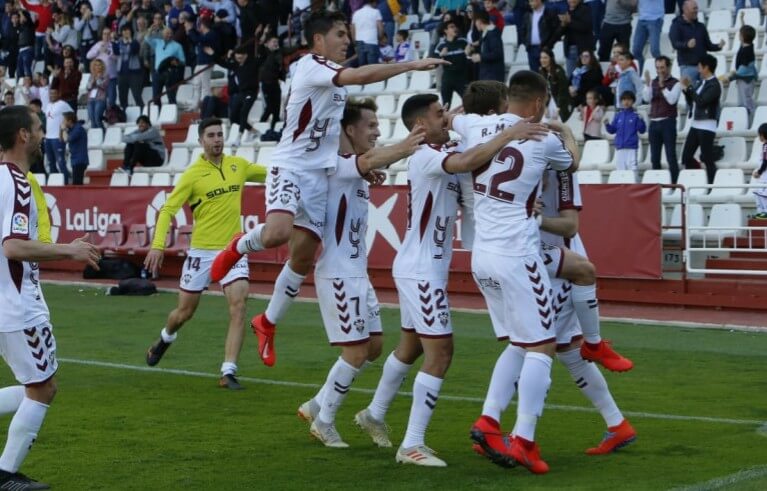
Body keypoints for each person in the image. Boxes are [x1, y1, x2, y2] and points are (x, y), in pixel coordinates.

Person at [210, 10, 448, 368]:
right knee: (277, 233)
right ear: (318, 40)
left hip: (320, 173)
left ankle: (268, 322)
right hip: (291, 165)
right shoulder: (309, 66)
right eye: (340, 34)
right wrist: (411, 65)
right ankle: (237, 247)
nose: (346, 41)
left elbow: (331, 132)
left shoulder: (335, 88)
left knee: (303, 256)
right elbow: (361, 74)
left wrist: (357, 165)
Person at [361, 92, 548, 467]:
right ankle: (412, 444)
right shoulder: (427, 156)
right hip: (421, 270)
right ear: (420, 126)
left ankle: (374, 413)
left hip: (423, 267)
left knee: (412, 348)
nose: (445, 117)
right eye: (438, 113)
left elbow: (475, 179)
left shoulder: (443, 155)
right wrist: (507, 135)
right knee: (441, 353)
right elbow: (467, 159)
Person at [453, 72, 578, 474]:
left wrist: (490, 119)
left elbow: (453, 115)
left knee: (518, 343)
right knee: (542, 346)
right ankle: (524, 439)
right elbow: (572, 163)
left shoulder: (473, 124)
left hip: (480, 256)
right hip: (517, 255)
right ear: (539, 103)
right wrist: (564, 129)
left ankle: (489, 421)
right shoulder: (545, 137)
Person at [298, 99, 422, 448]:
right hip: (338, 273)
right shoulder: (338, 164)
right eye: (370, 125)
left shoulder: (356, 169)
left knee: (374, 347)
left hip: (356, 272)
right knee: (355, 352)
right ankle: (324, 422)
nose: (377, 131)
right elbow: (367, 160)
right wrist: (409, 143)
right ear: (349, 130)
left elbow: (367, 164)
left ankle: (316, 404)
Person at [0, 105, 100, 490]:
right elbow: (12, 247)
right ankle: (6, 475)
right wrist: (68, 250)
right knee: (43, 388)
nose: (44, 134)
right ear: (23, 135)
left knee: (33, 384)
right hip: (17, 305)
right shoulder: (19, 183)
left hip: (6, 300)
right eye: (39, 128)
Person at [143, 118, 267, 389]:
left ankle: (228, 371)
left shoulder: (239, 166)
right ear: (201, 141)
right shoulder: (192, 175)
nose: (217, 139)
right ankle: (165, 337)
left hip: (233, 249)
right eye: (211, 135)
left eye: (220, 134)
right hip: (201, 252)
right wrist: (157, 245)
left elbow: (273, 174)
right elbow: (167, 210)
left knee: (239, 306)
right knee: (184, 313)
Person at [207, 45, 259, 147]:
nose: (239, 58)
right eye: (237, 56)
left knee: (244, 112)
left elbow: (263, 56)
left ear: (246, 55)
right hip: (241, 93)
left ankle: (239, 138)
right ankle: (254, 131)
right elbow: (222, 63)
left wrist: (262, 43)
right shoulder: (235, 65)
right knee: (233, 117)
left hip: (251, 93)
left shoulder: (253, 63)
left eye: (241, 56)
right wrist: (213, 54)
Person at [681, 54, 721, 184]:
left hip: (707, 125)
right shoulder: (701, 83)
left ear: (706, 68)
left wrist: (691, 88)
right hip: (696, 123)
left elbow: (701, 102)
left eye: (700, 67)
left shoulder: (715, 85)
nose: (698, 70)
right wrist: (687, 90)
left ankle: (711, 184)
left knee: (707, 158)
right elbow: (692, 100)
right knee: (686, 157)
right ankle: (699, 178)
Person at [643, 55, 681, 183]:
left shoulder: (675, 83)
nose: (660, 70)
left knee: (671, 156)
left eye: (662, 67)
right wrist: (648, 85)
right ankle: (657, 184)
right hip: (654, 122)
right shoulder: (653, 82)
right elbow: (647, 98)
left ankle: (675, 183)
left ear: (668, 67)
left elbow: (672, 100)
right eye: (658, 67)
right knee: (654, 157)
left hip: (668, 122)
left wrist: (663, 87)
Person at [669, 0, 724, 84]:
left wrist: (718, 46)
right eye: (694, 8)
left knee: (709, 92)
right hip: (688, 67)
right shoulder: (676, 25)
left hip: (704, 66)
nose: (696, 11)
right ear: (685, 9)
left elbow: (708, 45)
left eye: (697, 8)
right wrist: (686, 44)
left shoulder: (701, 26)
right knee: (690, 94)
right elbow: (675, 43)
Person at [605, 91, 646, 178]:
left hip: (631, 148)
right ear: (621, 101)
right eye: (624, 99)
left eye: (628, 99)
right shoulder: (618, 115)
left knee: (633, 171)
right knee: (620, 171)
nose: (626, 102)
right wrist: (607, 124)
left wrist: (642, 120)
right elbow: (612, 130)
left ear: (633, 101)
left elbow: (642, 130)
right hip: (620, 147)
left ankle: (635, 189)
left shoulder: (636, 116)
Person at [723, 22, 757, 123]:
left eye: (740, 34)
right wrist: (742, 21)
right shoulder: (747, 45)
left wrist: (730, 78)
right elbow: (746, 34)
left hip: (746, 81)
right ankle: (743, 119)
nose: (738, 36)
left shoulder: (747, 51)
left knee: (747, 101)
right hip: (743, 80)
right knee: (742, 101)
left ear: (742, 37)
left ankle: (751, 121)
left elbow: (743, 70)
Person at [146, 27, 185, 104]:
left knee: (171, 97)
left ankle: (172, 114)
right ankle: (157, 113)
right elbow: (147, 38)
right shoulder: (158, 42)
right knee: (156, 97)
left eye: (171, 33)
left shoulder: (177, 46)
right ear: (162, 34)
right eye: (167, 33)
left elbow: (183, 61)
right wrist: (150, 29)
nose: (169, 35)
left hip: (170, 73)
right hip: (158, 73)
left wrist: (176, 63)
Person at [433, 20, 468, 108]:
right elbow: (434, 63)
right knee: (446, 105)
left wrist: (469, 51)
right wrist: (441, 55)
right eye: (452, 27)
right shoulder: (440, 45)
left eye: (455, 27)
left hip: (461, 78)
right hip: (447, 78)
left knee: (469, 103)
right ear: (445, 30)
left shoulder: (463, 42)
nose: (455, 29)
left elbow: (470, 56)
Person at [520, 0, 560, 73]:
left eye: (532, 1)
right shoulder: (528, 14)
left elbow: (556, 32)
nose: (530, 3)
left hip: (545, 48)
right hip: (531, 49)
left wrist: (548, 45)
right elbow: (522, 31)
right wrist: (526, 44)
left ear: (539, 1)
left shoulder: (549, 13)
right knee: (534, 76)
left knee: (548, 74)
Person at [43, 88, 72, 184]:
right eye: (51, 93)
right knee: (51, 162)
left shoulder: (63, 104)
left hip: (57, 137)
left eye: (54, 93)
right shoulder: (48, 105)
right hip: (48, 138)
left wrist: (65, 127)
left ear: (58, 94)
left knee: (60, 161)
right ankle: (54, 182)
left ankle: (66, 182)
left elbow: (72, 115)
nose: (52, 95)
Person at [188, 17, 219, 109]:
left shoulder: (211, 34)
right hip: (199, 62)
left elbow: (198, 39)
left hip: (206, 63)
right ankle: (195, 105)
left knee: (205, 86)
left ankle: (206, 106)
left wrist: (190, 30)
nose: (198, 27)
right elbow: (196, 38)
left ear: (203, 25)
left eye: (199, 25)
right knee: (196, 84)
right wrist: (192, 30)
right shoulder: (203, 35)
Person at [559, 0, 595, 77]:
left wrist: (570, 21)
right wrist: (563, 25)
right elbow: (560, 33)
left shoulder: (585, 9)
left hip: (583, 49)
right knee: (571, 77)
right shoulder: (565, 10)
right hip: (569, 49)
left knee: (586, 77)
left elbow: (585, 26)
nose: (572, 0)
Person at [258, 33, 284, 139]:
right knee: (269, 107)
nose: (275, 44)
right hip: (265, 84)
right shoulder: (264, 53)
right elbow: (260, 46)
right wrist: (264, 34)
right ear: (267, 44)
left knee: (276, 109)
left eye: (276, 42)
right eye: (273, 42)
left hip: (275, 83)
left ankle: (274, 130)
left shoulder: (279, 53)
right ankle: (261, 125)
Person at [86, 28, 118, 110]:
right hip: (100, 77)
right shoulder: (98, 44)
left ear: (111, 35)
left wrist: (107, 51)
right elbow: (88, 55)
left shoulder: (114, 44)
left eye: (108, 33)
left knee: (111, 98)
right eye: (104, 34)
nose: (106, 35)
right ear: (102, 35)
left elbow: (117, 58)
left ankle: (111, 116)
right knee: (100, 99)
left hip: (111, 76)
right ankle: (101, 115)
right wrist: (98, 50)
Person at [114, 24, 145, 110]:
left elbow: (134, 50)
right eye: (124, 31)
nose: (126, 33)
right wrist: (114, 39)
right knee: (122, 96)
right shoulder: (118, 43)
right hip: (121, 73)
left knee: (136, 94)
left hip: (134, 73)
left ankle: (142, 112)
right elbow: (115, 51)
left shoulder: (135, 42)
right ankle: (124, 113)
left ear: (131, 32)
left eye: (127, 30)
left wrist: (130, 41)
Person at [471, 9, 504, 82]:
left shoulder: (492, 34)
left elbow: (497, 53)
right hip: (486, 75)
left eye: (475, 21)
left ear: (480, 21)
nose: (475, 24)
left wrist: (480, 57)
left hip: (493, 76)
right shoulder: (484, 33)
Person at [540, 48, 571, 121]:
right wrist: (545, 106)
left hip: (559, 103)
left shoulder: (559, 71)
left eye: (545, 58)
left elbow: (563, 91)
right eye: (541, 58)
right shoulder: (541, 72)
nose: (542, 60)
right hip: (548, 102)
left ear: (551, 59)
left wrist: (558, 108)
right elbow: (542, 91)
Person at [631, 0, 663, 72]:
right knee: (636, 51)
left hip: (656, 18)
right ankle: (640, 74)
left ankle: (663, 72)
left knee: (654, 50)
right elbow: (633, 3)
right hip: (642, 18)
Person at [351, 0, 383, 67]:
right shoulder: (376, 12)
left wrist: (355, 43)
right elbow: (380, 28)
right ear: (373, 2)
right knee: (372, 67)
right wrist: (380, 38)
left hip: (359, 41)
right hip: (372, 41)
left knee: (362, 67)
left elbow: (353, 29)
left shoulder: (356, 13)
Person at [61, 111, 88, 185]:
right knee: (76, 182)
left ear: (69, 121)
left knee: (77, 183)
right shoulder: (72, 130)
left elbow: (68, 139)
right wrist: (61, 130)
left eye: (64, 120)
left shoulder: (78, 129)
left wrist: (64, 129)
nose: (63, 122)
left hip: (80, 159)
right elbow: (62, 140)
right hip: (75, 159)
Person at [86, 59, 109, 130]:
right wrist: (93, 80)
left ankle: (102, 134)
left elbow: (104, 86)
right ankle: (95, 137)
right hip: (91, 99)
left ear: (102, 66)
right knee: (92, 119)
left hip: (100, 99)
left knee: (97, 118)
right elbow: (88, 87)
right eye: (96, 65)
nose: (98, 67)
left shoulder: (106, 76)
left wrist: (98, 78)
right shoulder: (91, 76)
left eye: (99, 65)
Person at [752, 123, 767, 219]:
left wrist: (759, 172)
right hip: (764, 175)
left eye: (759, 135)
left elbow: (766, 161)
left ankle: (764, 212)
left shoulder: (766, 146)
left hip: (765, 176)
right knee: (759, 192)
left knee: (762, 192)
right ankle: (763, 212)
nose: (759, 137)